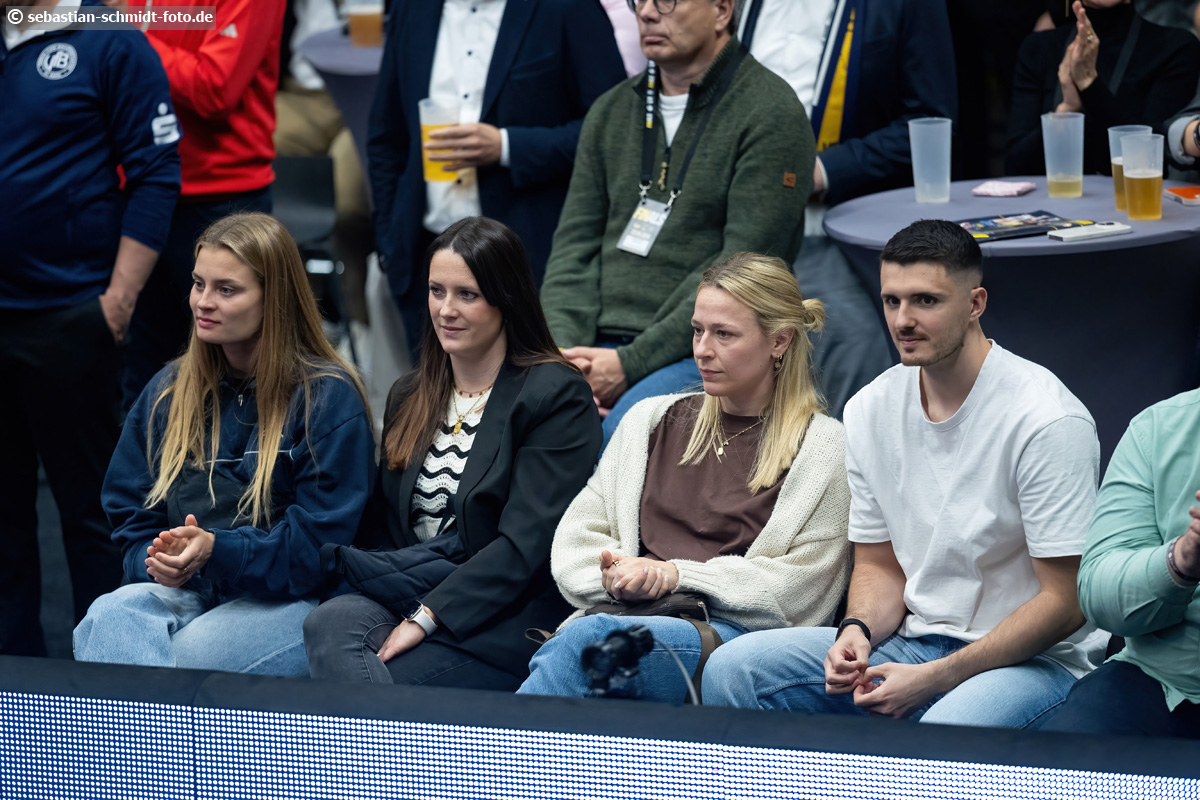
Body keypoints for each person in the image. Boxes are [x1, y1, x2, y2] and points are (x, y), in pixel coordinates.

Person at [704, 220, 1109, 727]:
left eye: (925, 301)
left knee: (941, 734)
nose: (903, 320)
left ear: (975, 304)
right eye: (891, 301)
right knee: (734, 670)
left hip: (1031, 661)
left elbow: (1067, 601)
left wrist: (937, 677)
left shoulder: (1046, 419)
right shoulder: (870, 407)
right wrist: (857, 631)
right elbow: (880, 565)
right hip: (913, 642)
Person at [517, 253, 851, 703]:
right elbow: (577, 538)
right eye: (697, 330)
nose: (702, 349)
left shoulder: (825, 447)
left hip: (731, 638)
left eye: (724, 334)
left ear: (779, 340)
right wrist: (620, 576)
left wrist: (675, 575)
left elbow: (804, 591)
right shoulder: (649, 421)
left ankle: (497, 750)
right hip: (620, 615)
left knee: (590, 644)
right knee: (588, 645)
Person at [304, 216, 602, 691]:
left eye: (467, 294)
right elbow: (386, 529)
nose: (446, 310)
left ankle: (369, 739)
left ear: (506, 299)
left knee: (387, 675)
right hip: (412, 591)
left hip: (503, 612)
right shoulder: (409, 393)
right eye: (436, 291)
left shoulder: (555, 395)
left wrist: (427, 617)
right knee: (326, 622)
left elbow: (524, 548)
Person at [73, 213, 375, 676]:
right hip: (193, 588)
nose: (203, 302)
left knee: (182, 657)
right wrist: (155, 560)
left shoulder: (327, 397)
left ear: (274, 299)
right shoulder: (169, 390)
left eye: (226, 290)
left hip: (294, 600)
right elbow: (132, 517)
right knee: (105, 619)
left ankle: (144, 723)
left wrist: (217, 550)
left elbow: (316, 553)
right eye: (199, 284)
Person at [539, 0, 813, 446]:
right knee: (521, 423)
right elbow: (573, 250)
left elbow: (743, 272)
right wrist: (564, 359)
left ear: (721, 10)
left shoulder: (771, 110)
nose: (647, 13)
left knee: (615, 440)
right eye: (639, 1)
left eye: (666, 0)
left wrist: (629, 363)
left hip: (703, 349)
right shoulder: (611, 110)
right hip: (592, 349)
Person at [0, 0, 181, 656]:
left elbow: (157, 172)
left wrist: (119, 300)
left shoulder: (110, 41)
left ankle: (103, 681)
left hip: (71, 315)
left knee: (91, 516)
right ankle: (12, 677)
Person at [365, 0, 626, 410]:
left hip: (526, 264)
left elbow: (612, 126)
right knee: (436, 412)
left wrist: (506, 146)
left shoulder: (566, 8)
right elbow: (386, 135)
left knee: (520, 416)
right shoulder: (414, 9)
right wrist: (389, 239)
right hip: (425, 258)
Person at [735, 0, 957, 417]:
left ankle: (843, 457)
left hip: (835, 226)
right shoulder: (734, 7)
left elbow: (929, 123)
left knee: (849, 339)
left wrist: (822, 171)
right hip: (734, 224)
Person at [121, 0, 286, 409]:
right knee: (141, 372)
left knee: (233, 375)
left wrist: (130, 32)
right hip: (139, 189)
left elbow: (214, 88)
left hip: (221, 195)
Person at [1038, 391, 1200, 738]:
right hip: (1165, 680)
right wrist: (1183, 559)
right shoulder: (1158, 429)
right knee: (1060, 756)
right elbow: (1098, 597)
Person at [1007, 0, 1200, 177]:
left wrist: (1089, 85)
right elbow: (1016, 169)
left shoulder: (1175, 47)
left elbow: (1150, 158)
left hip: (1134, 199)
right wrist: (1065, 112)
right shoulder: (1038, 48)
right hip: (1050, 199)